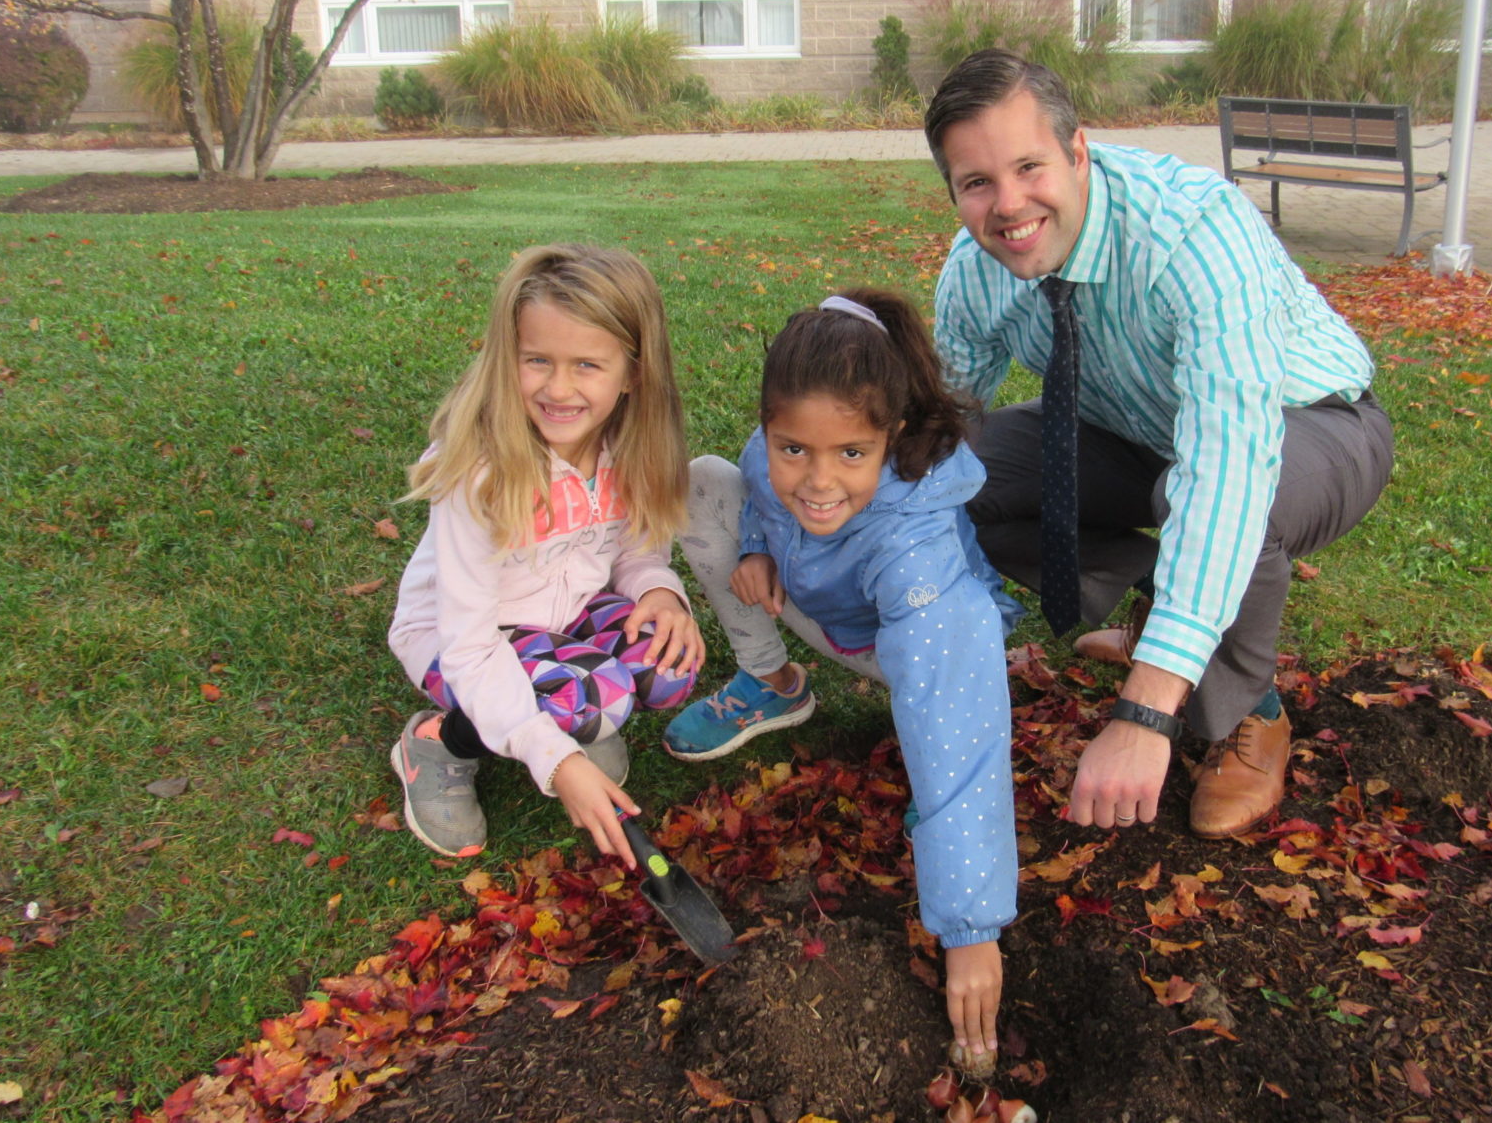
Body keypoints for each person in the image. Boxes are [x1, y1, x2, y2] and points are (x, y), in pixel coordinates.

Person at [927, 48, 1394, 840]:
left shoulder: (1196, 234)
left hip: (1309, 421)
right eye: (976, 183)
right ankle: (1168, 607)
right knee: (955, 480)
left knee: (1215, 504)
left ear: (1079, 151)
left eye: (1029, 166)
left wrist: (1143, 715)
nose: (1008, 207)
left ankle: (1250, 711)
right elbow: (941, 428)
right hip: (1129, 429)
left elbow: (1228, 473)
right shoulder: (976, 269)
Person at [662, 288, 1021, 1062]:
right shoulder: (779, 451)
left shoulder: (912, 543)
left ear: (889, 436)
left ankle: (956, 852)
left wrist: (969, 931)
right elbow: (760, 484)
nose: (818, 480)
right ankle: (771, 682)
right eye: (796, 448)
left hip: (900, 643)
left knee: (943, 707)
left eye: (851, 455)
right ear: (773, 427)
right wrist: (756, 540)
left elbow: (952, 735)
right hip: (812, 602)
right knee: (700, 481)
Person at [387, 244, 704, 866]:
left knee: (667, 665)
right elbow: (472, 646)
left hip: (566, 619)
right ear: (509, 359)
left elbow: (639, 555)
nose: (559, 388)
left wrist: (661, 593)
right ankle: (437, 747)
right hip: (459, 638)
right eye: (537, 361)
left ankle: (569, 716)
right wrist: (556, 760)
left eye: (587, 364)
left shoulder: (630, 448)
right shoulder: (481, 474)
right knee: (590, 701)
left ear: (633, 372)